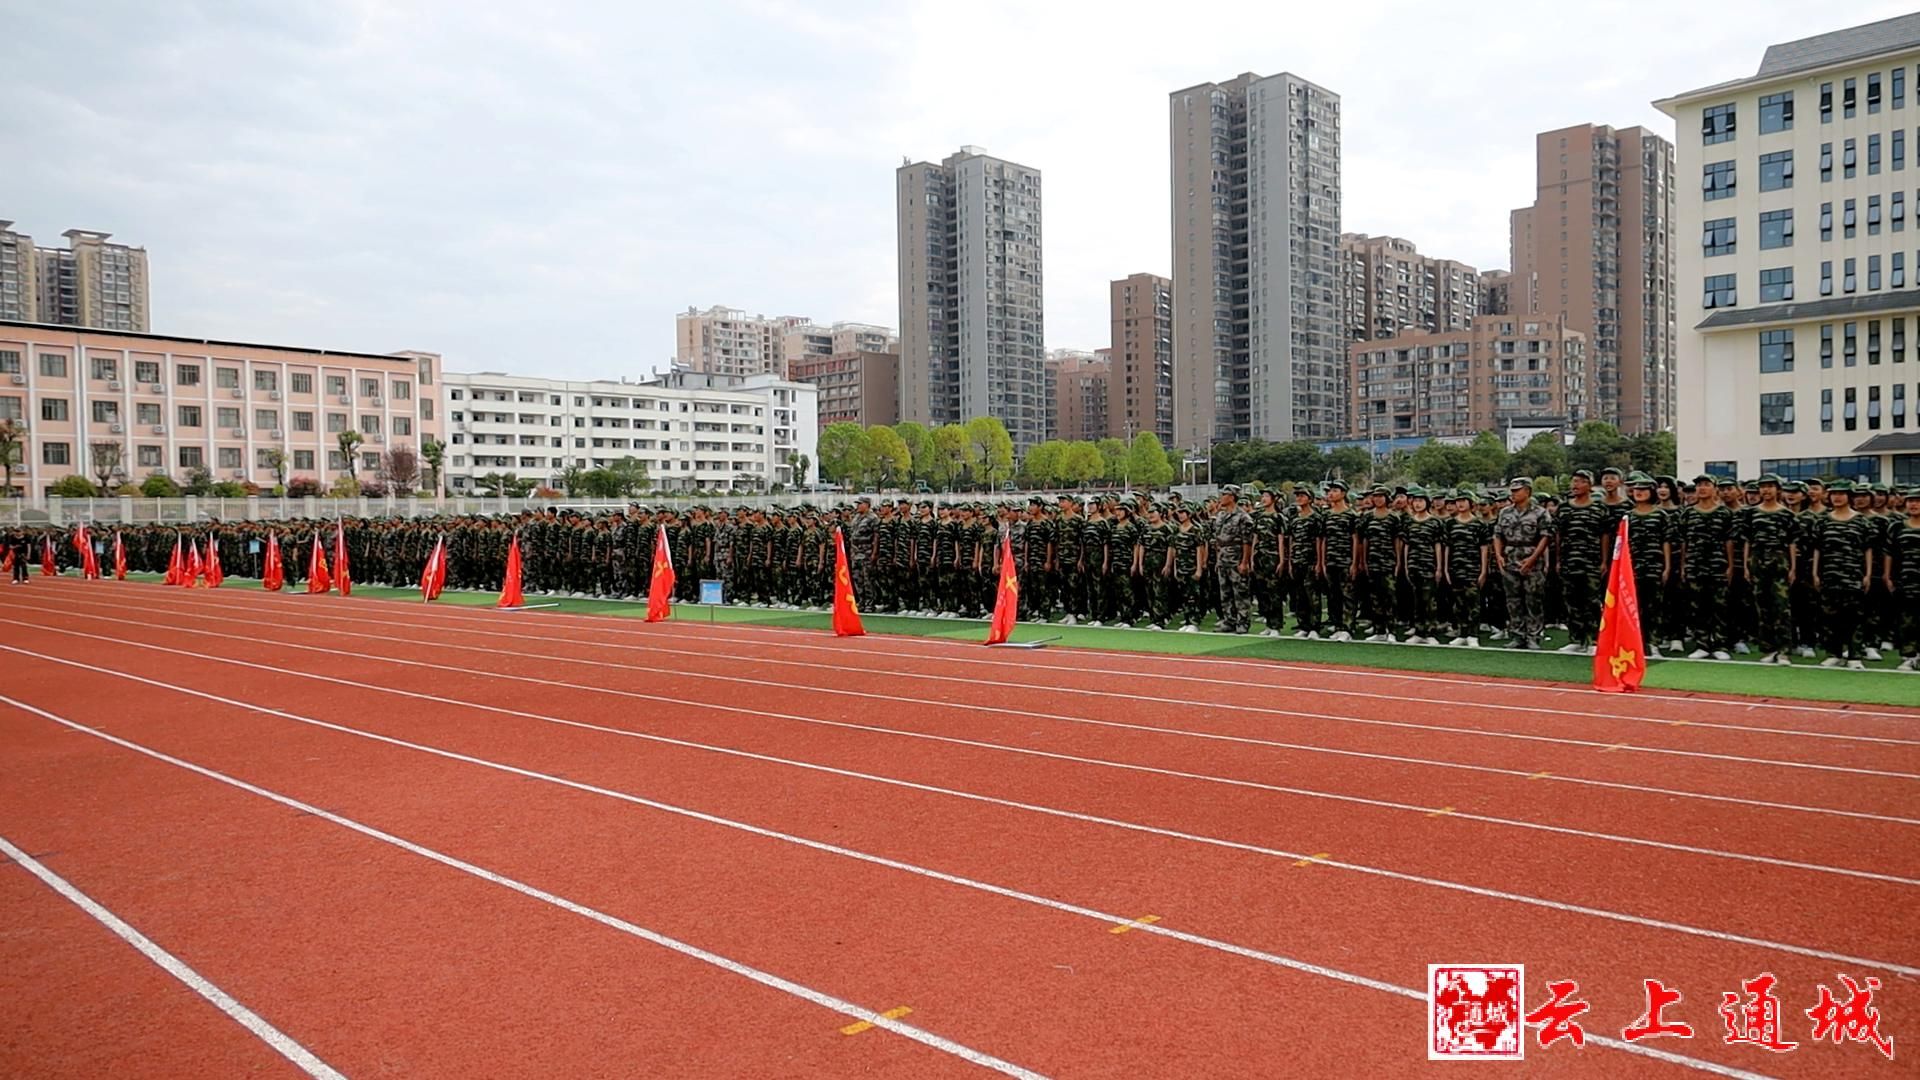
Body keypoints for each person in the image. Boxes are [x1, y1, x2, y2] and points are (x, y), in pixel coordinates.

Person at [1744, 474, 1797, 665]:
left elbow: (1792, 542)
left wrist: (1793, 568)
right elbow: (1748, 541)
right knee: (1762, 606)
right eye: (1763, 487)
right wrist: (1746, 566)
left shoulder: (1786, 514)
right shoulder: (1751, 513)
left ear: (1778, 489)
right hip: (1758, 561)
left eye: (1770, 486)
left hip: (1780, 562)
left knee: (1782, 608)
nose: (1766, 490)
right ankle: (1768, 648)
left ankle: (1784, 650)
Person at [1555, 469, 1611, 654]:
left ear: (1589, 485)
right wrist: (1558, 559)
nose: (1575, 485)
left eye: (1580, 481)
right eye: (1573, 481)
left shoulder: (1599, 508)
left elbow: (1604, 535)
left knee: (1592, 602)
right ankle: (1576, 638)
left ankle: (1594, 639)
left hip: (1591, 561)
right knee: (1571, 600)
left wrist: (1603, 561)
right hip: (1569, 560)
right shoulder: (1564, 508)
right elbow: (1558, 535)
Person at [1493, 476, 1551, 649]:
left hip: (1531, 557)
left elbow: (1545, 537)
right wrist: (1498, 555)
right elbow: (1497, 535)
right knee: (1513, 600)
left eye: (1517, 490)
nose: (1513, 494)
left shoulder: (1540, 512)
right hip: (1510, 556)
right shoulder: (1505, 512)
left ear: (1527, 491)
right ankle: (1517, 635)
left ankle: (1533, 636)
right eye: (1512, 490)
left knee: (1533, 599)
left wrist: (1533, 559)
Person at [1210, 485, 1256, 634]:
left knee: (1240, 592)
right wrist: (1218, 559)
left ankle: (1243, 622)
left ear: (1232, 497)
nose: (1222, 497)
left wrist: (1244, 562)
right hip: (1223, 557)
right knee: (1225, 592)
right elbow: (1218, 541)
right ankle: (1229, 620)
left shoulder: (1243, 517)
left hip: (1236, 558)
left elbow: (1247, 542)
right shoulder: (1221, 516)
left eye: (1225, 494)